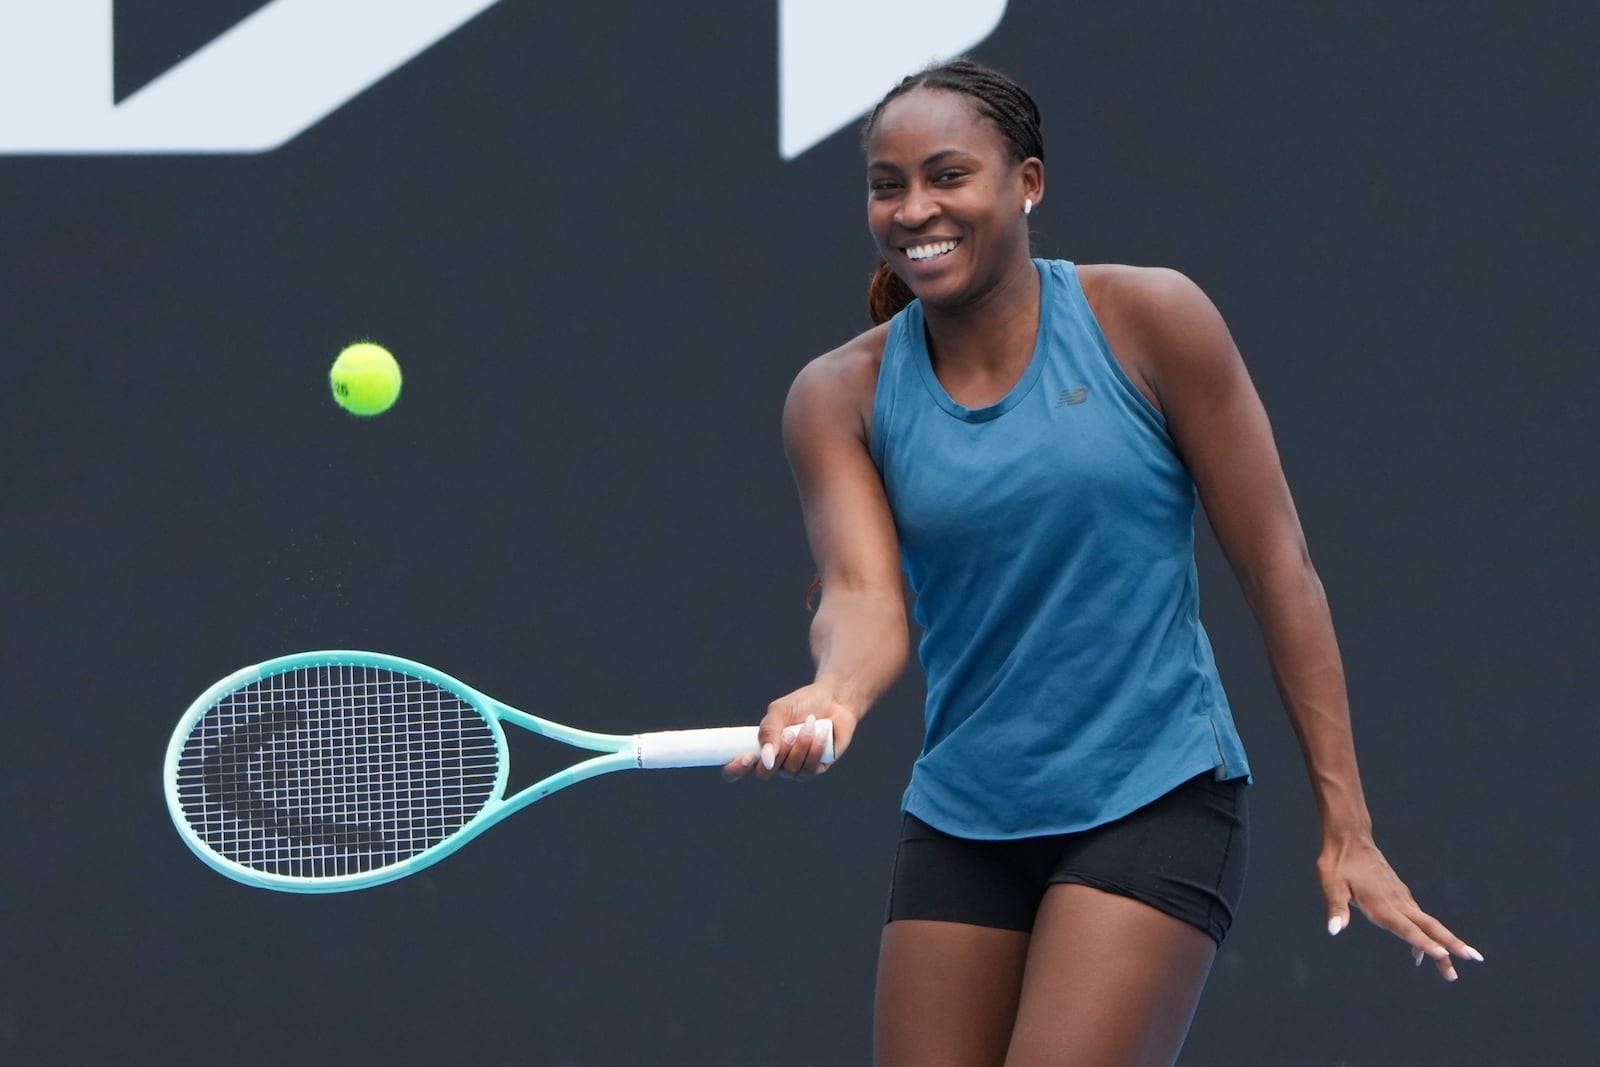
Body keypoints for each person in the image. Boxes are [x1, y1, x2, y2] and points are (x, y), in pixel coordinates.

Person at [724, 58, 1480, 1066]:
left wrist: (1347, 822)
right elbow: (864, 596)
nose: (915, 210)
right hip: (963, 814)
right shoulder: (835, 395)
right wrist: (834, 694)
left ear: (1026, 183)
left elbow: (1278, 568)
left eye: (948, 175)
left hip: (1153, 793)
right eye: (886, 184)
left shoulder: (1151, 319)